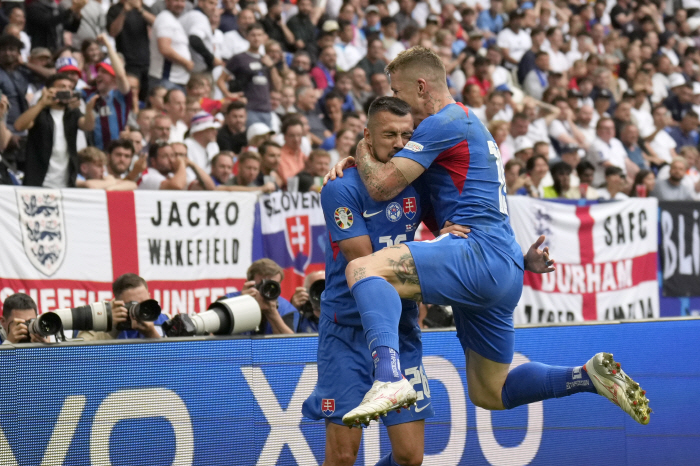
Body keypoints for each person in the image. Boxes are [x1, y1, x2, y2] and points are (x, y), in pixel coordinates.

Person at [328, 46, 651, 427]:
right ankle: (586, 376)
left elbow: (381, 187)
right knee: (490, 392)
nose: (395, 101)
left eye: (397, 92)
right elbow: (475, 199)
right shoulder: (467, 124)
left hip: (476, 253)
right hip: (504, 263)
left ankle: (388, 379)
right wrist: (517, 256)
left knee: (365, 271)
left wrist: (361, 149)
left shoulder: (442, 122)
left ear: (420, 86)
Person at [303, 97, 451, 466]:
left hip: (400, 328)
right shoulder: (340, 186)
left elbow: (451, 224)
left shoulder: (419, 182)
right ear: (367, 136)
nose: (400, 143)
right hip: (348, 331)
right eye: (389, 135)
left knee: (410, 456)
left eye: (406, 134)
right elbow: (365, 260)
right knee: (341, 457)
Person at [17, 73, 98, 188]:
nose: (67, 90)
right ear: (50, 89)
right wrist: (41, 103)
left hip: (65, 182)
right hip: (38, 181)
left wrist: (89, 110)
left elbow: (87, 126)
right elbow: (19, 126)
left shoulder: (73, 113)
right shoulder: (40, 112)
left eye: (70, 88)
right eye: (62, 86)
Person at [218, 23, 276, 128]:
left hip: (266, 109)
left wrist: (271, 67)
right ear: (247, 37)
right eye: (253, 35)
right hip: (249, 109)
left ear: (264, 37)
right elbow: (220, 80)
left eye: (259, 35)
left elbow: (278, 86)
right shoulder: (239, 58)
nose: (256, 38)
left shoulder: (267, 60)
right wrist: (228, 94)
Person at [78, 274, 166, 340]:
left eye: (144, 303)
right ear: (117, 303)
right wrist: (111, 329)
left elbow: (174, 360)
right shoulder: (99, 321)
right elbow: (80, 357)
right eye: (133, 304)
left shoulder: (163, 319)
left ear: (149, 296)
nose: (140, 309)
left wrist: (151, 334)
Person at [83, 34, 133, 150]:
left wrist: (108, 46)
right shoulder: (89, 93)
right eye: (98, 71)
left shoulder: (121, 96)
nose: (99, 75)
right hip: (96, 155)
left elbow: (121, 75)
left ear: (114, 79)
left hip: (118, 153)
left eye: (104, 72)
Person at [223, 259, 298, 334]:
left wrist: (272, 313)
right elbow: (214, 338)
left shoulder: (286, 309)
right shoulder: (227, 302)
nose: (267, 291)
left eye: (272, 286)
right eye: (262, 285)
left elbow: (289, 343)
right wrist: (240, 307)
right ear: (248, 284)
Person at [107, 0, 155, 103]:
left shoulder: (144, 7)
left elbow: (157, 24)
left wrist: (140, 9)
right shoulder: (115, 9)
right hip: (127, 62)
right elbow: (113, 32)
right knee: (130, 96)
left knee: (147, 97)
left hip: (146, 61)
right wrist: (124, 11)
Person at [149, 0, 193, 91]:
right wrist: (186, 63)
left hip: (174, 80)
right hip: (166, 79)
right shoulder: (165, 19)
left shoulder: (172, 19)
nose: (180, 4)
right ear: (167, 2)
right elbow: (164, 48)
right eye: (176, 1)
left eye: (182, 1)